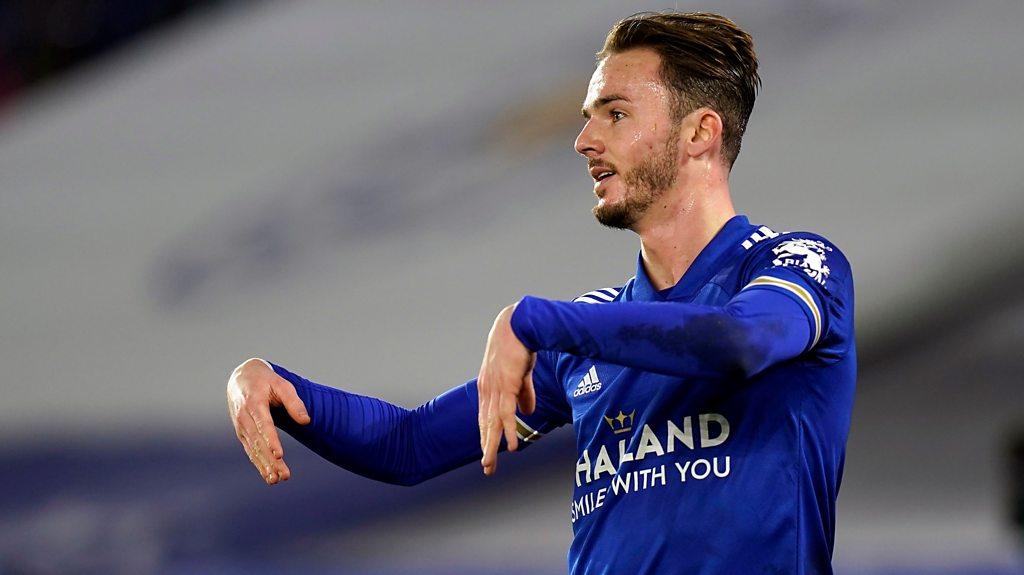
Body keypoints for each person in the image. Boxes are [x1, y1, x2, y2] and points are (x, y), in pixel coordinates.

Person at [226, 11, 855, 574]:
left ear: (699, 134)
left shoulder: (797, 265)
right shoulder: (589, 332)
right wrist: (272, 385)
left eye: (615, 114)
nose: (584, 142)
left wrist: (536, 321)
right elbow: (408, 447)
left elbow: (739, 342)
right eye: (588, 119)